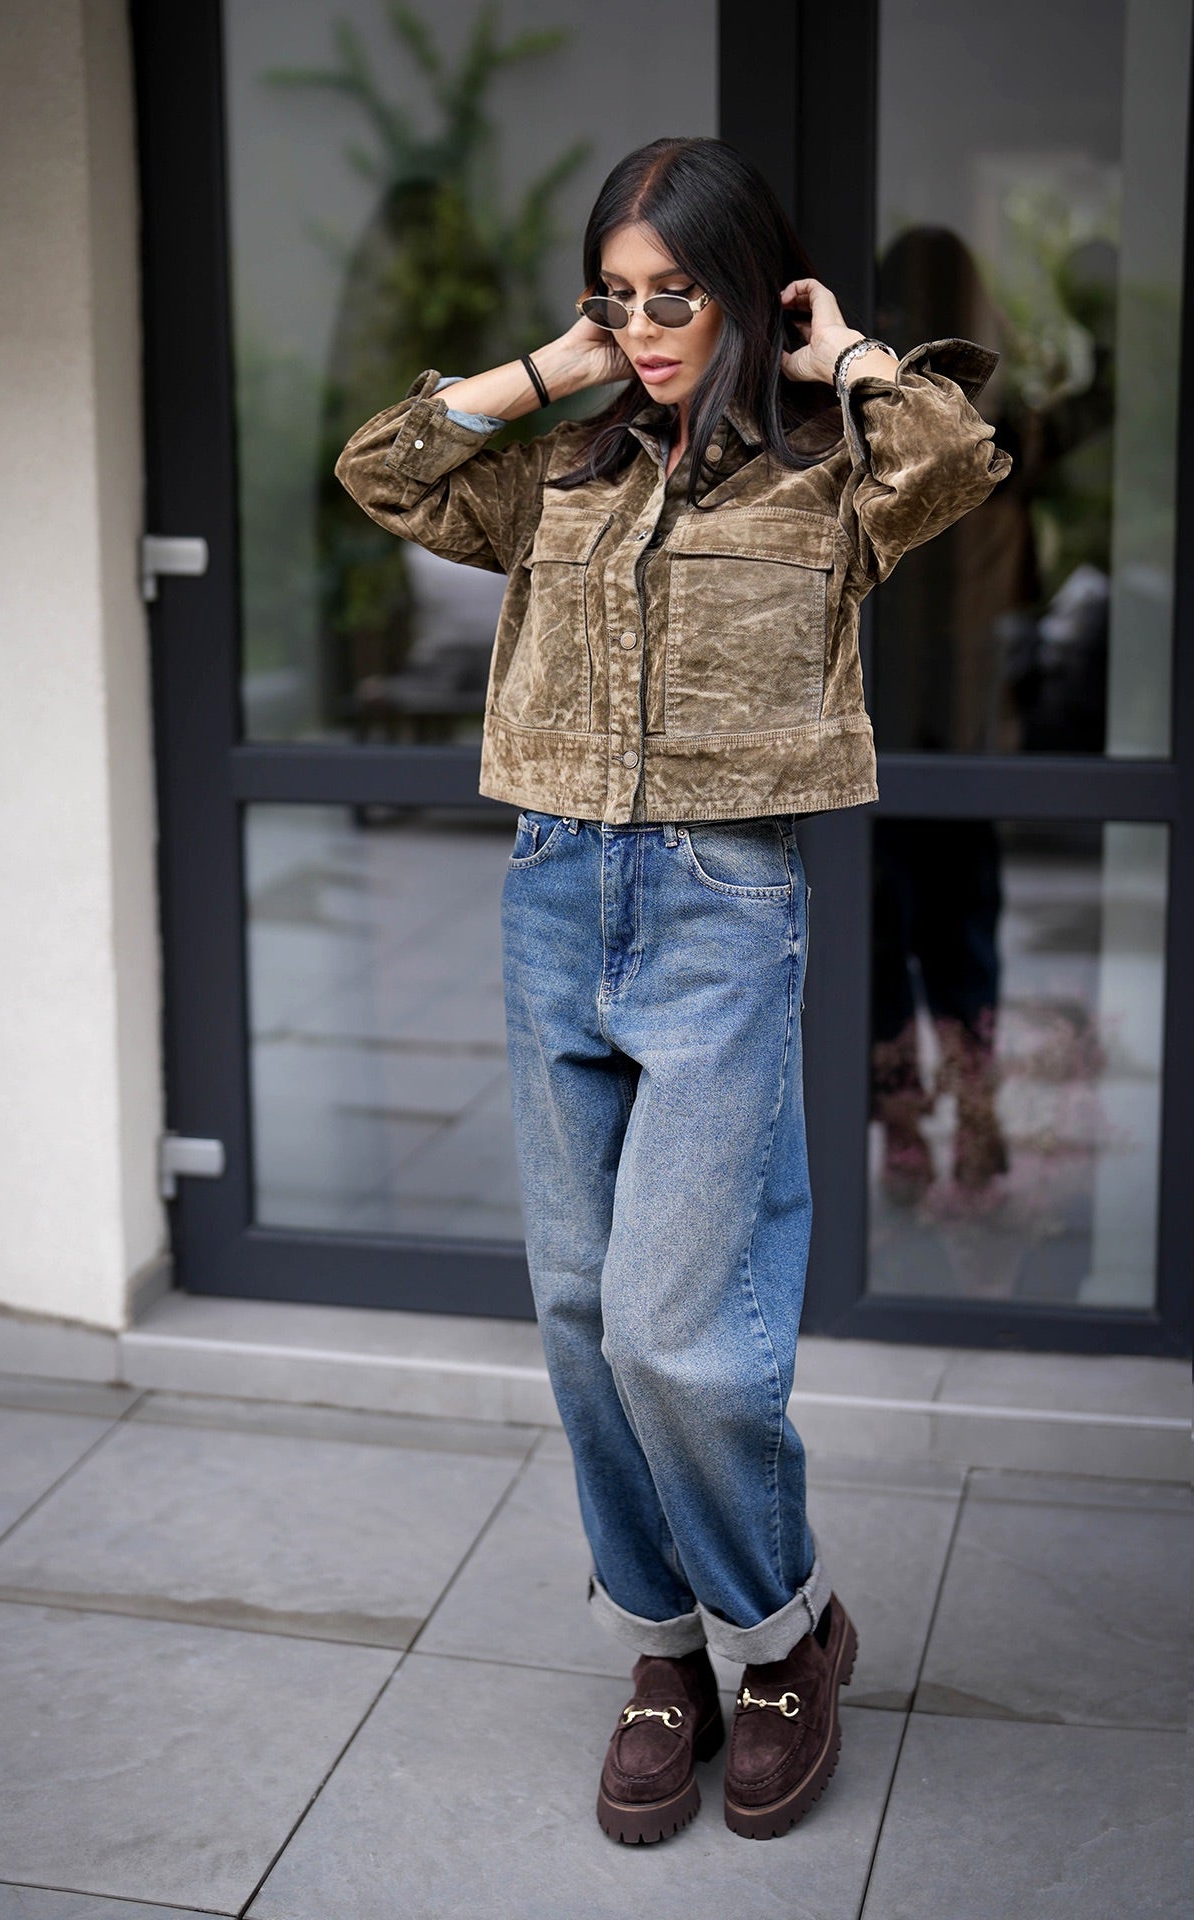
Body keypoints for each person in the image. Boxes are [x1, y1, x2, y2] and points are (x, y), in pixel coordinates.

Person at [335, 135, 1011, 1846]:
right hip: (554, 895)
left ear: (746, 291)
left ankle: (781, 1634)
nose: (643, 329)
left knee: (674, 1332)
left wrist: (836, 351)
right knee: (580, 1315)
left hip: (719, 906)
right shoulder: (554, 475)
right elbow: (382, 472)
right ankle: (662, 1646)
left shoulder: (828, 478)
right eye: (617, 298)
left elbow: (960, 451)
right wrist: (550, 364)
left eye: (674, 296)